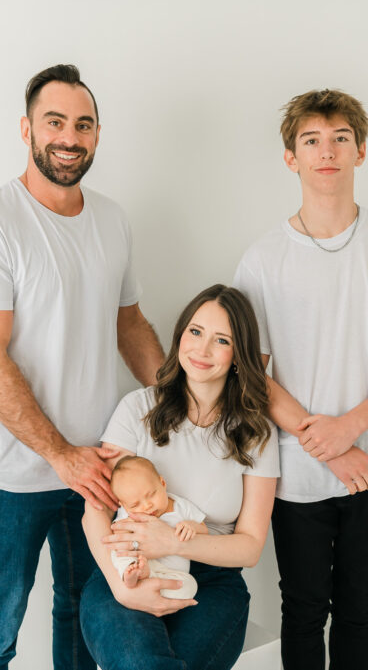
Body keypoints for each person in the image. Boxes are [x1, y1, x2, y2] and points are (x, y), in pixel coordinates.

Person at [0, 64, 164, 670]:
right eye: (55, 121)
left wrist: (175, 402)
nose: (70, 136)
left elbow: (130, 323)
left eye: (83, 124)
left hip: (97, 469)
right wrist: (59, 454)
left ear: (97, 135)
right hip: (9, 476)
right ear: (26, 129)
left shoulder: (113, 219)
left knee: (83, 617)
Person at [232, 89, 368, 670]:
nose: (326, 151)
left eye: (340, 139)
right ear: (290, 157)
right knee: (301, 611)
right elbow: (250, 372)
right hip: (296, 474)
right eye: (311, 140)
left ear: (361, 151)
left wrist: (351, 430)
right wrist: (323, 444)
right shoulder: (262, 259)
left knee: (359, 610)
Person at [78, 284, 279, 670]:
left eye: (222, 340)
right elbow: (96, 511)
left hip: (212, 582)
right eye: (195, 331)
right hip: (125, 565)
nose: (202, 350)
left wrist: (172, 541)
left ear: (239, 355)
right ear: (180, 335)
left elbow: (250, 547)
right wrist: (122, 587)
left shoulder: (256, 432)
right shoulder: (138, 408)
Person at [108, 455, 207, 599]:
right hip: (139, 564)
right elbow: (117, 534)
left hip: (172, 574)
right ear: (123, 505)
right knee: (118, 552)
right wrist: (129, 524)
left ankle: (148, 582)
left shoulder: (180, 507)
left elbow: (205, 530)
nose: (147, 506)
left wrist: (191, 526)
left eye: (151, 495)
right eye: (135, 505)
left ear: (162, 483)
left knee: (190, 586)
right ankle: (132, 575)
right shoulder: (129, 515)